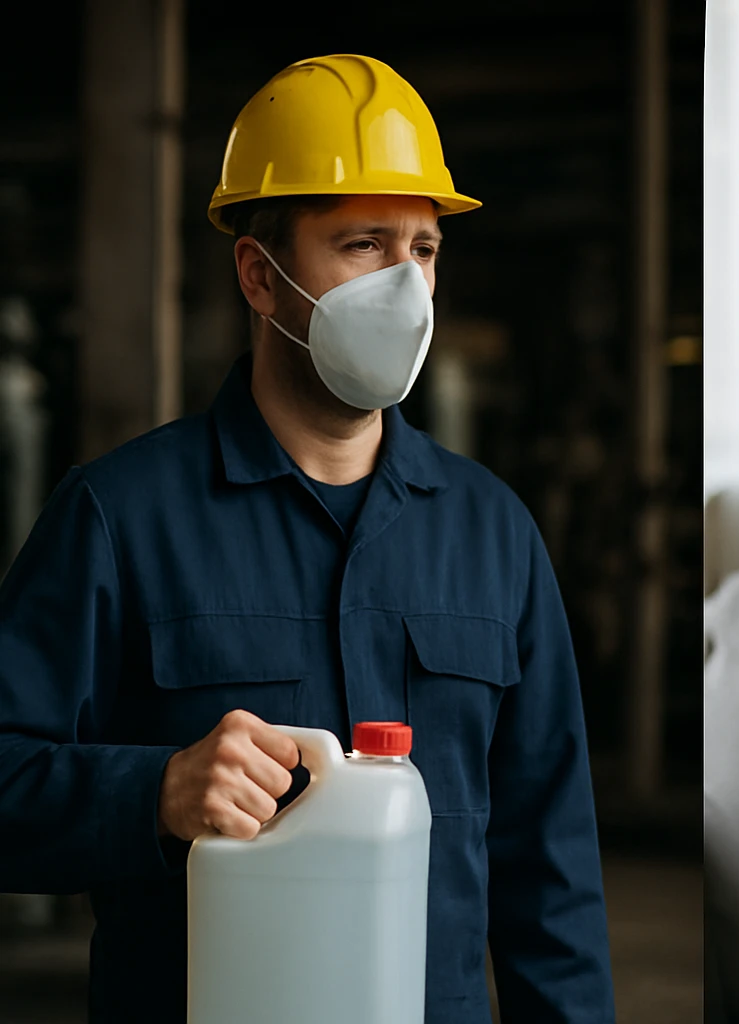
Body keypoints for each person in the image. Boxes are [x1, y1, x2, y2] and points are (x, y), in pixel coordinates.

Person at [0, 54, 614, 1023]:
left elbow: (552, 875)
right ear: (260, 275)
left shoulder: (494, 534)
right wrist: (154, 790)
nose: (405, 286)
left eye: (423, 248)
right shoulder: (119, 518)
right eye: (364, 245)